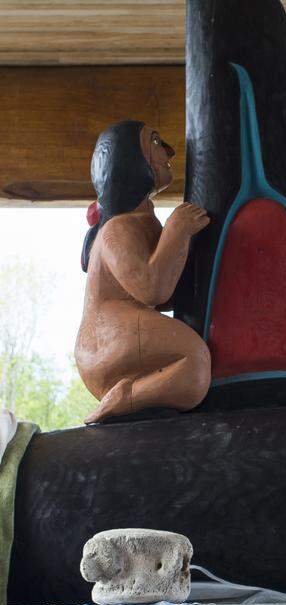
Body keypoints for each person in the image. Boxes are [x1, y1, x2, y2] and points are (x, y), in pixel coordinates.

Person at [76, 121, 211, 423]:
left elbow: (166, 298)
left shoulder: (143, 222)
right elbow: (153, 289)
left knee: (195, 371)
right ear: (129, 160)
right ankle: (125, 396)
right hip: (104, 341)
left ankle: (133, 394)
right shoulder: (117, 229)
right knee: (195, 365)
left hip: (124, 334)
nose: (168, 152)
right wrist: (178, 228)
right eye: (155, 141)